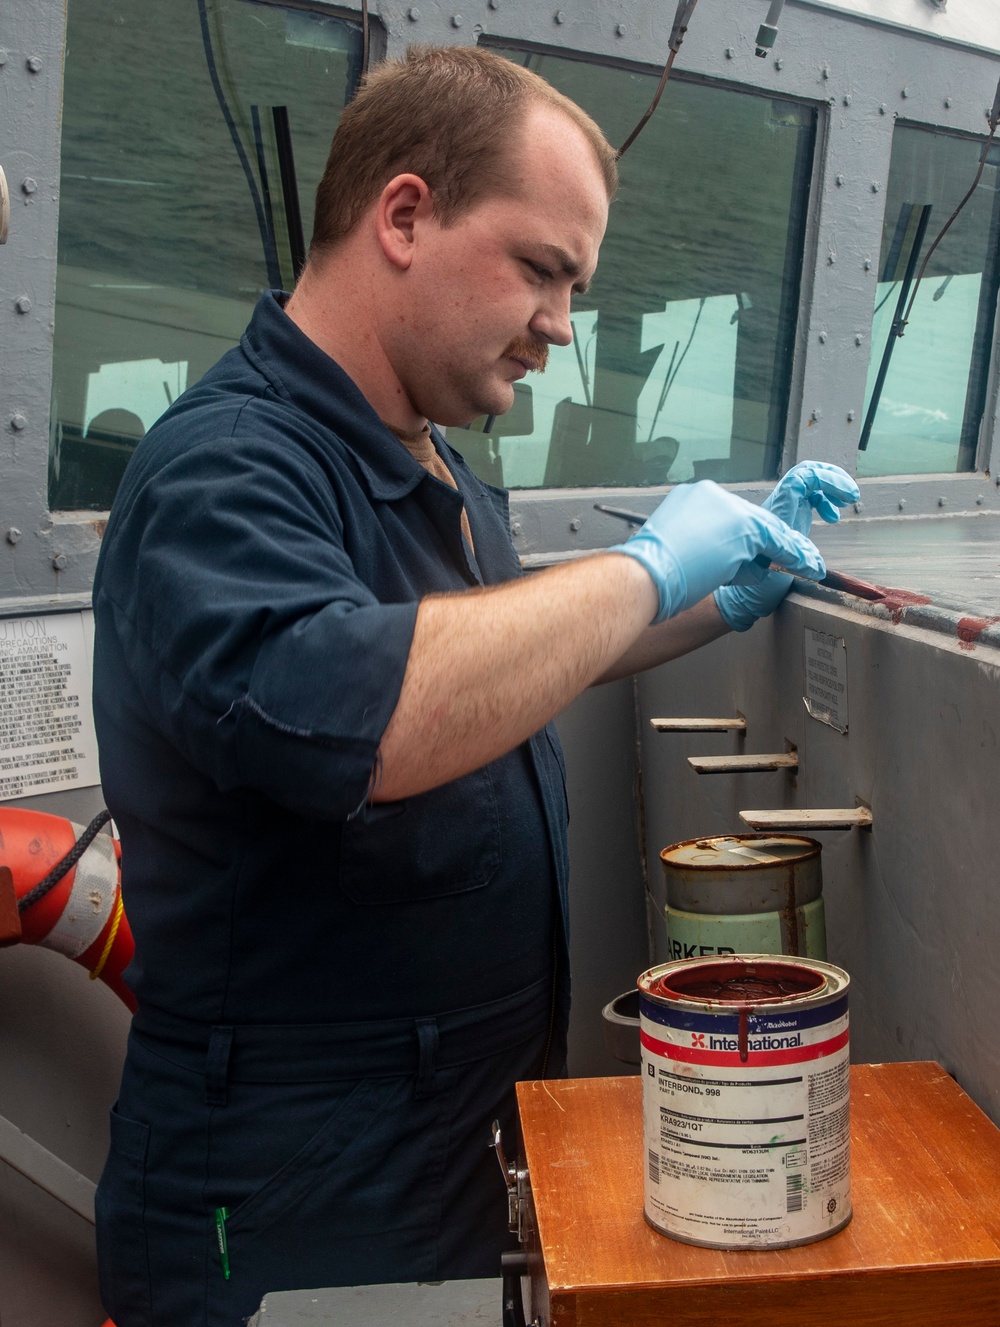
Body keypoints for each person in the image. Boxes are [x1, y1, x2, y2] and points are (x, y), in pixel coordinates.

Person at [91, 44, 859, 1327]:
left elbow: (490, 665)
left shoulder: (428, 457)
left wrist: (699, 604)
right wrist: (642, 563)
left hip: (447, 1154)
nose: (563, 324)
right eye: (543, 269)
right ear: (403, 216)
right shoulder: (221, 475)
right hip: (293, 1199)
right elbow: (371, 710)